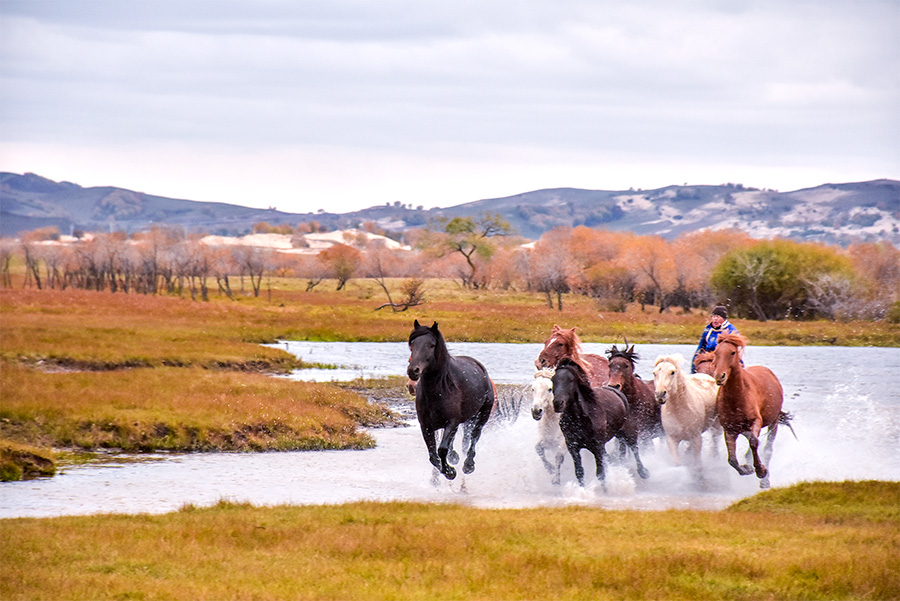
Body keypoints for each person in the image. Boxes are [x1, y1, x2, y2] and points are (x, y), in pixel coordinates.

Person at [691, 305, 739, 373]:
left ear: (724, 319)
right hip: (707, 358)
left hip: (724, 359)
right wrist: (693, 367)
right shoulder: (708, 329)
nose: (715, 319)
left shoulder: (731, 330)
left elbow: (735, 351)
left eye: (718, 317)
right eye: (713, 316)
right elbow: (700, 347)